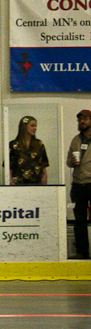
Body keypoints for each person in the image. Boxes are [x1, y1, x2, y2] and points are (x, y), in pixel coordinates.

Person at [67, 109, 91, 259]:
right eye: (80, 119)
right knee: (79, 221)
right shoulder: (76, 140)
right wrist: (72, 161)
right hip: (78, 184)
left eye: (85, 119)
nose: (82, 121)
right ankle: (82, 252)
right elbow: (68, 161)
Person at [9, 115, 49, 185]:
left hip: (36, 182)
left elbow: (43, 163)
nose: (35, 128)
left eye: (35, 126)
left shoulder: (39, 144)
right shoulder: (13, 145)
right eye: (32, 126)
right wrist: (9, 179)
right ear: (24, 127)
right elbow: (9, 165)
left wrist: (44, 177)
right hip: (18, 183)